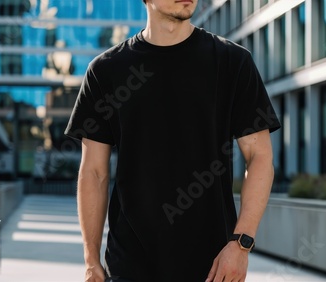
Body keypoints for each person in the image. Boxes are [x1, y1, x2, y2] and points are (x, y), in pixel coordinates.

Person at [65, 0, 280, 281]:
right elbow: (93, 172)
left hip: (213, 268)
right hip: (130, 267)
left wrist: (241, 245)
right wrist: (91, 260)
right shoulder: (105, 71)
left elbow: (260, 156)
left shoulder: (232, 61)